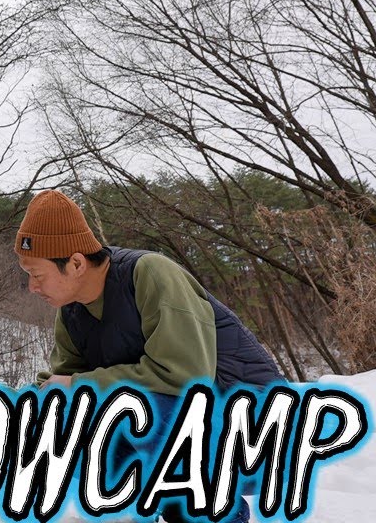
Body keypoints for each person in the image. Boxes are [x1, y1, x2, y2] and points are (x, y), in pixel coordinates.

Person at [17, 189, 280, 522]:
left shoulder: (150, 274)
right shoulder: (71, 314)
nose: (32, 287)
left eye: (36, 275)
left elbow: (185, 377)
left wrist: (77, 384)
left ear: (76, 263)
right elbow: (68, 389)